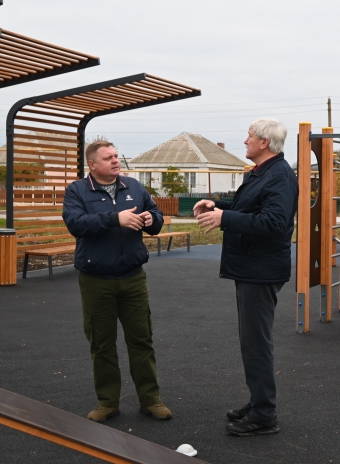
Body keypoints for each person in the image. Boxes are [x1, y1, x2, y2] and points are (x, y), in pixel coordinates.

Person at [194, 118, 298, 436]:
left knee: (256, 344)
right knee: (252, 342)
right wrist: (218, 205)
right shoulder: (262, 173)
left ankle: (264, 415)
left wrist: (225, 217)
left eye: (249, 136)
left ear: (264, 142)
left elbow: (273, 223)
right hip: (252, 267)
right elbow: (251, 209)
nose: (245, 141)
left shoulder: (279, 176)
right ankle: (258, 402)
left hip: (260, 270)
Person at [63, 140, 172, 422]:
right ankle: (108, 402)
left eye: (116, 156)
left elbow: (157, 216)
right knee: (102, 344)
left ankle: (150, 399)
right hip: (97, 280)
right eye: (108, 158)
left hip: (134, 278)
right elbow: (75, 224)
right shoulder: (77, 190)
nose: (115, 161)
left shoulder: (133, 186)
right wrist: (115, 219)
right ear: (92, 164)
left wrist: (151, 219)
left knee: (142, 341)